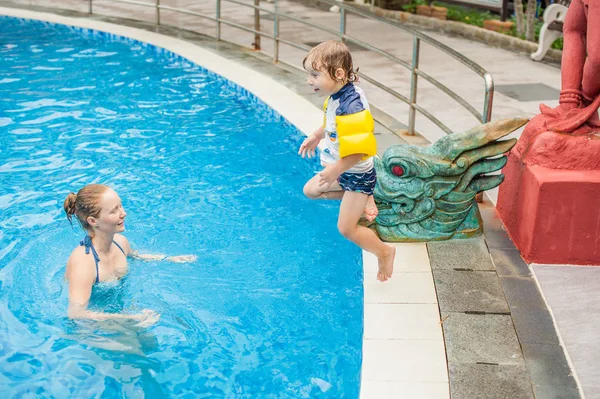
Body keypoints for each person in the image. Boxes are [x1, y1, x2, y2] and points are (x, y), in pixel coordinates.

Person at [298, 40, 395, 282]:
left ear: (338, 73)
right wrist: (316, 135)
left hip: (357, 174)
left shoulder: (351, 108)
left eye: (314, 74)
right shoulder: (335, 96)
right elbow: (330, 123)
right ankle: (364, 199)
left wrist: (333, 172)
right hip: (343, 172)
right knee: (310, 190)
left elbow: (360, 151)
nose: (309, 80)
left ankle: (384, 252)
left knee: (346, 229)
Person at [63, 184, 196, 325]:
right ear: (93, 221)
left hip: (115, 310)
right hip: (89, 327)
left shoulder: (120, 242)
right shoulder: (84, 263)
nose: (123, 213)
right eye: (114, 210)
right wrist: (131, 318)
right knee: (135, 345)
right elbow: (76, 313)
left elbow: (136, 256)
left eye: (120, 205)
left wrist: (169, 259)